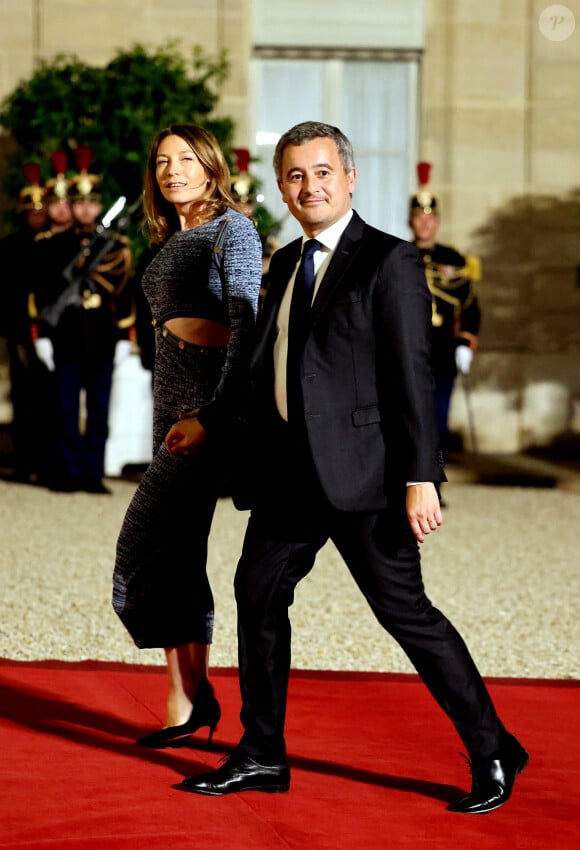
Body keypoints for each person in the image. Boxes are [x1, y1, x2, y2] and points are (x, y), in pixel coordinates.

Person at [173, 121, 529, 814]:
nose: (311, 186)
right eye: (297, 176)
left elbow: (412, 375)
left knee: (407, 616)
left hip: (365, 477)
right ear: (282, 187)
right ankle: (262, 752)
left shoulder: (389, 262)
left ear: (351, 177)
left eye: (323, 172)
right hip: (288, 476)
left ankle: (492, 749)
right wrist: (207, 420)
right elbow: (256, 370)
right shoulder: (281, 264)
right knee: (257, 592)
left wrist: (421, 476)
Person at [112, 124, 263, 748]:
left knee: (142, 552)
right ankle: (184, 701)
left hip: (204, 422)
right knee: (173, 556)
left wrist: (213, 417)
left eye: (185, 160)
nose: (171, 170)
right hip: (170, 419)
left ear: (210, 167)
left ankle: (192, 699)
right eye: (162, 161)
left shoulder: (234, 229)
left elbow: (247, 326)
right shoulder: (171, 235)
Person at [29, 147, 134, 493]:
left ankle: (93, 474)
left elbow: (124, 296)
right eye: (79, 203)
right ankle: (70, 472)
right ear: (72, 205)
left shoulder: (116, 245)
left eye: (92, 203)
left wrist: (122, 338)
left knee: (100, 409)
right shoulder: (52, 245)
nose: (86, 208)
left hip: (103, 337)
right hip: (66, 336)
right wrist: (42, 334)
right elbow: (42, 294)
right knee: (66, 409)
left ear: (99, 205)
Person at [408, 162, 481, 458]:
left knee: (438, 422)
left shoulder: (455, 260)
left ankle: (434, 484)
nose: (424, 224)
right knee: (411, 421)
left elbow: (472, 306)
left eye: (430, 218)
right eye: (418, 218)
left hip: (442, 355)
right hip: (409, 352)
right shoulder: (400, 255)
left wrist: (465, 342)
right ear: (411, 222)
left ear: (437, 222)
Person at [0, 163, 55, 484]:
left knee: (49, 400)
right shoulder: (9, 247)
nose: (37, 215)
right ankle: (22, 463)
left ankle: (46, 463)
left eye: (41, 210)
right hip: (20, 331)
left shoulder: (52, 244)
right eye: (31, 211)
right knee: (23, 399)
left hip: (52, 331)